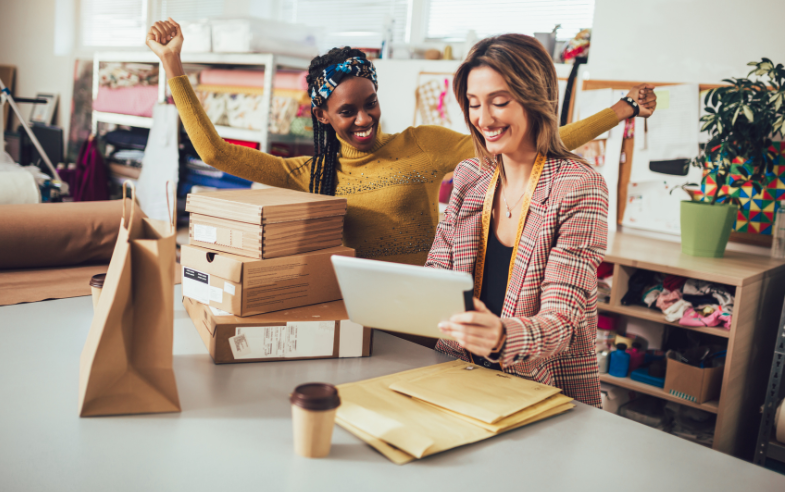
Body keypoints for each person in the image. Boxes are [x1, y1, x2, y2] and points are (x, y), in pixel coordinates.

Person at [146, 19, 656, 266]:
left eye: (370, 102)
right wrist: (174, 68)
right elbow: (213, 154)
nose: (364, 118)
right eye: (347, 111)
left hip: (426, 312)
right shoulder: (305, 173)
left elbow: (533, 142)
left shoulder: (423, 145)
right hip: (350, 308)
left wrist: (620, 111)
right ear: (322, 115)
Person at [431, 34, 614, 407]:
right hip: (456, 378)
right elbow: (436, 276)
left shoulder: (579, 186)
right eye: (473, 104)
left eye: (500, 102)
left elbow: (562, 321)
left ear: (536, 99)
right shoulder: (468, 177)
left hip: (539, 391)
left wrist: (500, 336)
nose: (484, 119)